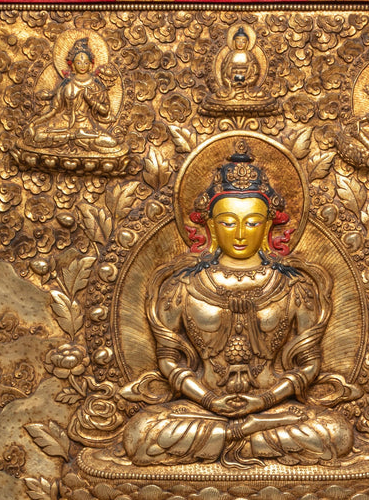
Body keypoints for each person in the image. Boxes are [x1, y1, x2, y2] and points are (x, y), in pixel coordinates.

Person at [122, 140, 353, 465]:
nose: (241, 233)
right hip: (202, 408)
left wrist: (265, 401)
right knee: (141, 433)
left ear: (269, 225)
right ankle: (244, 436)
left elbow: (309, 364)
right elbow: (169, 360)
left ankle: (238, 435)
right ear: (211, 226)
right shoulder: (183, 285)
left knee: (335, 432)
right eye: (229, 222)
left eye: (252, 222)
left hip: (273, 408)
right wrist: (208, 399)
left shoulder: (293, 285)